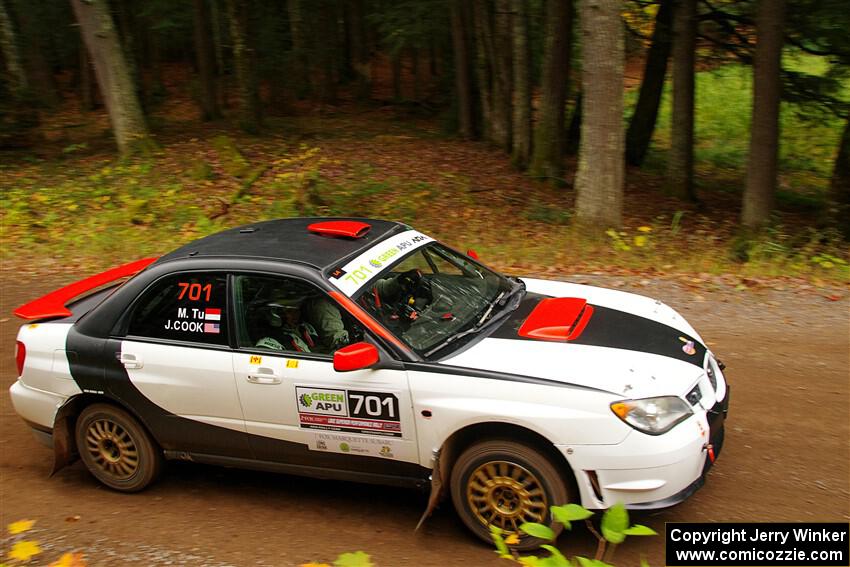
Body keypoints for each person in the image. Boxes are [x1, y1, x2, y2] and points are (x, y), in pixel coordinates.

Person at [255, 295, 319, 353]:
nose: (295, 315)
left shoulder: (306, 327)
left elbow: (319, 347)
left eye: (296, 310)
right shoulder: (272, 339)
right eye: (289, 311)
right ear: (278, 315)